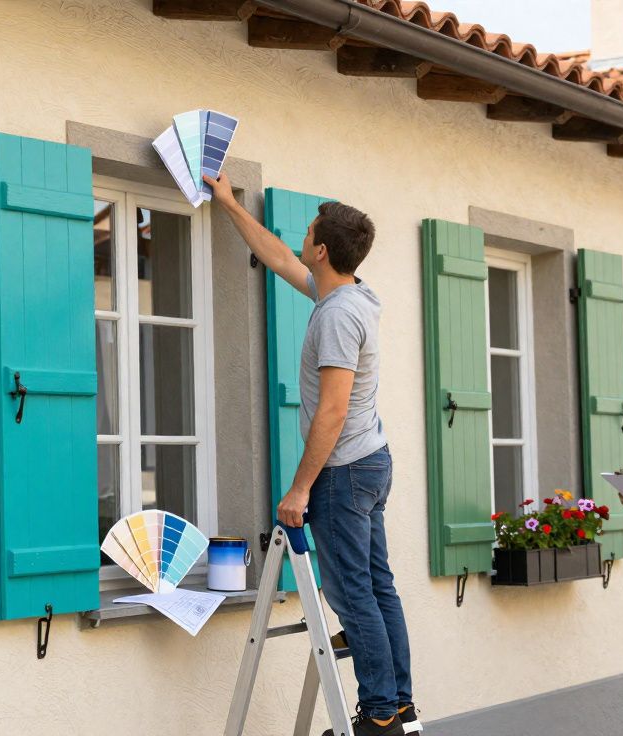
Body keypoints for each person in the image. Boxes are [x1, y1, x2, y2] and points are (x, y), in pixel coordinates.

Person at [203, 173, 418, 736]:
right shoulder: (351, 294)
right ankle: (398, 701)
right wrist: (228, 204)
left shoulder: (338, 316)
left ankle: (378, 716)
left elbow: (332, 411)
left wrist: (300, 488)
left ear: (321, 249)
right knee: (376, 583)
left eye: (307, 235)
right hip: (370, 461)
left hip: (345, 470)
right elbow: (278, 259)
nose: (300, 240)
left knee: (351, 592)